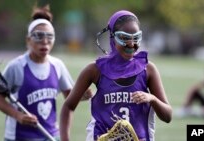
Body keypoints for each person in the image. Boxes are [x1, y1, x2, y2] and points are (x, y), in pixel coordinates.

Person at [60, 10, 172, 141]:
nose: (131, 44)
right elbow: (68, 106)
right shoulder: (94, 70)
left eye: (136, 38)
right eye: (124, 38)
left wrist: (152, 98)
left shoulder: (148, 69)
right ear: (112, 37)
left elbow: (167, 116)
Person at [0, 6, 91, 141]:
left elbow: (70, 98)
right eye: (38, 36)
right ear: (28, 40)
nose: (45, 41)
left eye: (49, 36)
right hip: (19, 137)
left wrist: (82, 95)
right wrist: (18, 116)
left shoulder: (57, 65)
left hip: (50, 135)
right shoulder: (16, 67)